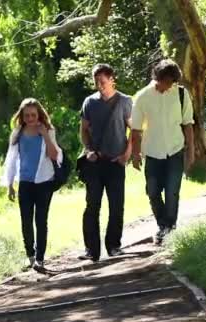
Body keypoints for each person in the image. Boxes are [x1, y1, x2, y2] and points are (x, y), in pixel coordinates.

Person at [131, 59, 195, 245]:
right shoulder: (143, 97)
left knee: (172, 192)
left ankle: (168, 228)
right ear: (157, 77)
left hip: (175, 150)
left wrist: (190, 152)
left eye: (173, 82)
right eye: (167, 81)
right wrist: (135, 154)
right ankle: (162, 223)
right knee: (152, 191)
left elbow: (188, 124)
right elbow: (136, 129)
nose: (169, 86)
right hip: (152, 152)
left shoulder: (181, 94)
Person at [78, 64, 133, 262]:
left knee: (116, 205)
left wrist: (127, 155)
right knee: (92, 205)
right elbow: (84, 130)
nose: (99, 86)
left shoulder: (125, 101)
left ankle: (114, 245)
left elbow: (134, 131)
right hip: (95, 161)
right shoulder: (89, 102)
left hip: (116, 161)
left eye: (102, 81)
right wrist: (89, 151)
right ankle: (91, 250)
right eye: (96, 82)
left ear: (111, 79)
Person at [1, 98, 63, 269]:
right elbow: (11, 160)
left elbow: (54, 156)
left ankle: (40, 258)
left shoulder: (48, 130)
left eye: (33, 115)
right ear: (22, 116)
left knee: (41, 221)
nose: (30, 118)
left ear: (39, 114)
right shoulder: (18, 133)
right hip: (25, 182)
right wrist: (10, 185)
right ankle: (30, 254)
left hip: (44, 181)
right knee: (26, 221)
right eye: (27, 115)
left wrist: (45, 135)